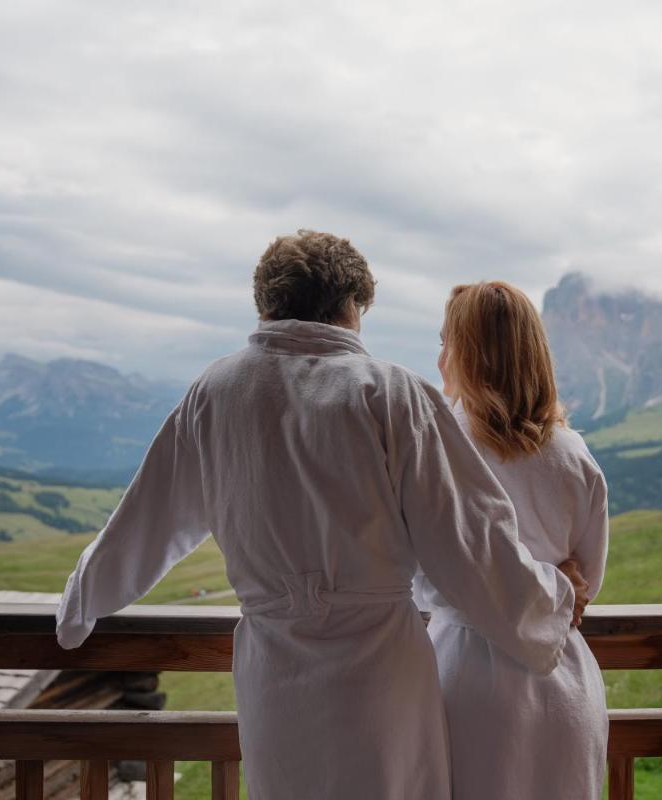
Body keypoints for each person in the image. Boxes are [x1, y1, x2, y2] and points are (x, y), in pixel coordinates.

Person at [55, 230, 583, 800]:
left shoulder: (215, 390)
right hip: (379, 673)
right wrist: (553, 597)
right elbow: (468, 541)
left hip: (274, 673)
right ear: (352, 305)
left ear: (266, 303)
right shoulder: (391, 394)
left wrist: (79, 603)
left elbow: (147, 520)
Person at [416, 281, 609, 800]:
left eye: (446, 343)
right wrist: (555, 584)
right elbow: (587, 582)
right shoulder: (574, 455)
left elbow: (421, 579)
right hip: (563, 681)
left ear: (469, 354)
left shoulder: (438, 449)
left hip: (465, 678)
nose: (440, 358)